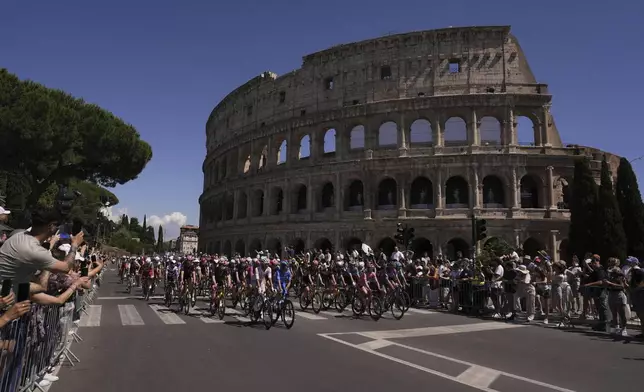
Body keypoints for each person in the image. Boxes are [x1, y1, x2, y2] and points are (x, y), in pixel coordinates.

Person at [0, 208, 84, 292]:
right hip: (6, 295)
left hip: (11, 286)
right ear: (51, 226)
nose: (57, 229)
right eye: (56, 225)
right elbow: (66, 267)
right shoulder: (34, 250)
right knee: (42, 287)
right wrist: (74, 245)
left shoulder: (19, 234)